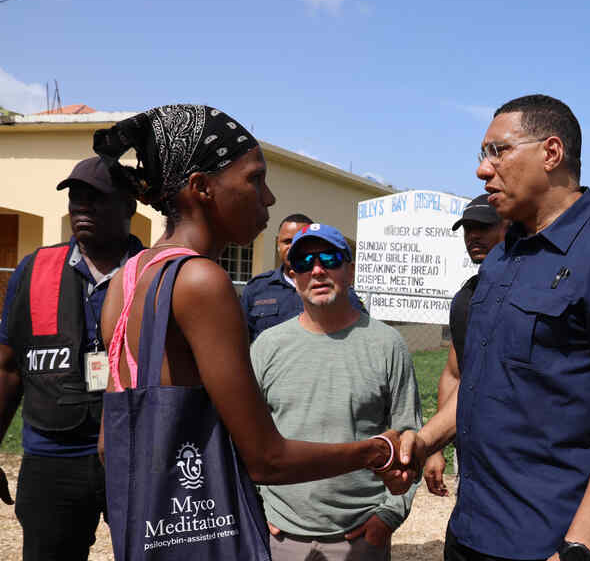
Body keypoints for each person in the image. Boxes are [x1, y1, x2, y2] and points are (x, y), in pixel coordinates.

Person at [92, 104, 416, 552]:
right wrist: (377, 450)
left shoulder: (129, 277)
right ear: (201, 187)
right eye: (254, 179)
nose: (268, 198)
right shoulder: (202, 281)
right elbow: (267, 460)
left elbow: (112, 441)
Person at [393, 94, 590, 561]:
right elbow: (484, 382)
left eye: (498, 151)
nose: (483, 170)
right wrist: (426, 439)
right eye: (484, 155)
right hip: (473, 528)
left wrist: (578, 544)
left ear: (551, 153)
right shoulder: (502, 257)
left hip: (547, 540)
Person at [0, 157, 144, 560]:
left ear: (129, 207)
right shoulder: (35, 269)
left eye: (96, 199)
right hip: (53, 455)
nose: (82, 208)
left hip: (137, 458)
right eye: (76, 199)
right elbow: (7, 367)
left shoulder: (153, 272)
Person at [250, 222, 422, 560]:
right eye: (303, 263)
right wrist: (257, 506)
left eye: (330, 258)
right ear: (292, 275)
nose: (317, 270)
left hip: (360, 537)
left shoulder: (387, 344)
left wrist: (387, 517)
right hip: (282, 536)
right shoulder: (267, 346)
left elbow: (408, 434)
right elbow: (246, 436)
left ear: (351, 270)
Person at [421, 193, 506, 497]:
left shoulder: (526, 293)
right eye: (468, 229)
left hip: (517, 453)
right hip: (470, 449)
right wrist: (435, 448)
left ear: (506, 227)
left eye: (483, 227)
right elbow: (455, 374)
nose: (474, 237)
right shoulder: (465, 298)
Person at [242, 213, 364, 342]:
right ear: (278, 245)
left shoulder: (341, 293)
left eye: (297, 241)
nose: (291, 246)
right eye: (287, 241)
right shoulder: (257, 288)